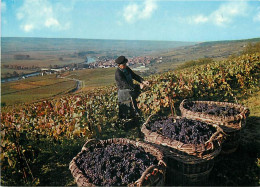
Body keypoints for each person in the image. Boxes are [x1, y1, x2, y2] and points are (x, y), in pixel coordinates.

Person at [115, 56, 149, 120]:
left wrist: (143, 81)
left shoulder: (126, 69)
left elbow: (134, 75)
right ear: (119, 65)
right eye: (124, 64)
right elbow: (125, 85)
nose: (125, 65)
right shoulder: (118, 74)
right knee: (126, 109)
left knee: (133, 106)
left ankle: (135, 120)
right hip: (124, 93)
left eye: (125, 64)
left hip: (130, 90)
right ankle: (125, 123)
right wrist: (139, 86)